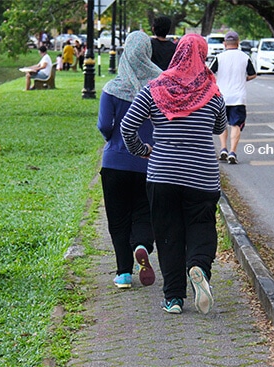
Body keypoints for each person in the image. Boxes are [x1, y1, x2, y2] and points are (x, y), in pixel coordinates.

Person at [121, 34, 227, 314]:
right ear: (203, 56)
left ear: (176, 54)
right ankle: (198, 266)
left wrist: (143, 150)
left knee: (168, 234)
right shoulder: (213, 93)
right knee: (201, 226)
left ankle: (174, 298)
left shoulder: (153, 89)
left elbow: (127, 127)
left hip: (163, 173)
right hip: (202, 176)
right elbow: (220, 127)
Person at [98, 31, 162, 289]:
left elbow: (104, 125)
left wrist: (113, 140)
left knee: (118, 218)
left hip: (115, 162)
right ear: (148, 52)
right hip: (149, 161)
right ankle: (142, 245)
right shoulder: (159, 86)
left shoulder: (112, 88)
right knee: (144, 212)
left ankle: (124, 273)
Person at [209, 31, 257, 164]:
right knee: (236, 124)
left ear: (225, 43)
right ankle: (232, 152)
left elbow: (209, 73)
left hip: (221, 96)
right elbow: (253, 74)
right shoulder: (244, 57)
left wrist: (218, 81)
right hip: (238, 97)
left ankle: (223, 149)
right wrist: (243, 79)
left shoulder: (219, 57)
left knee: (221, 123)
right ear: (238, 42)